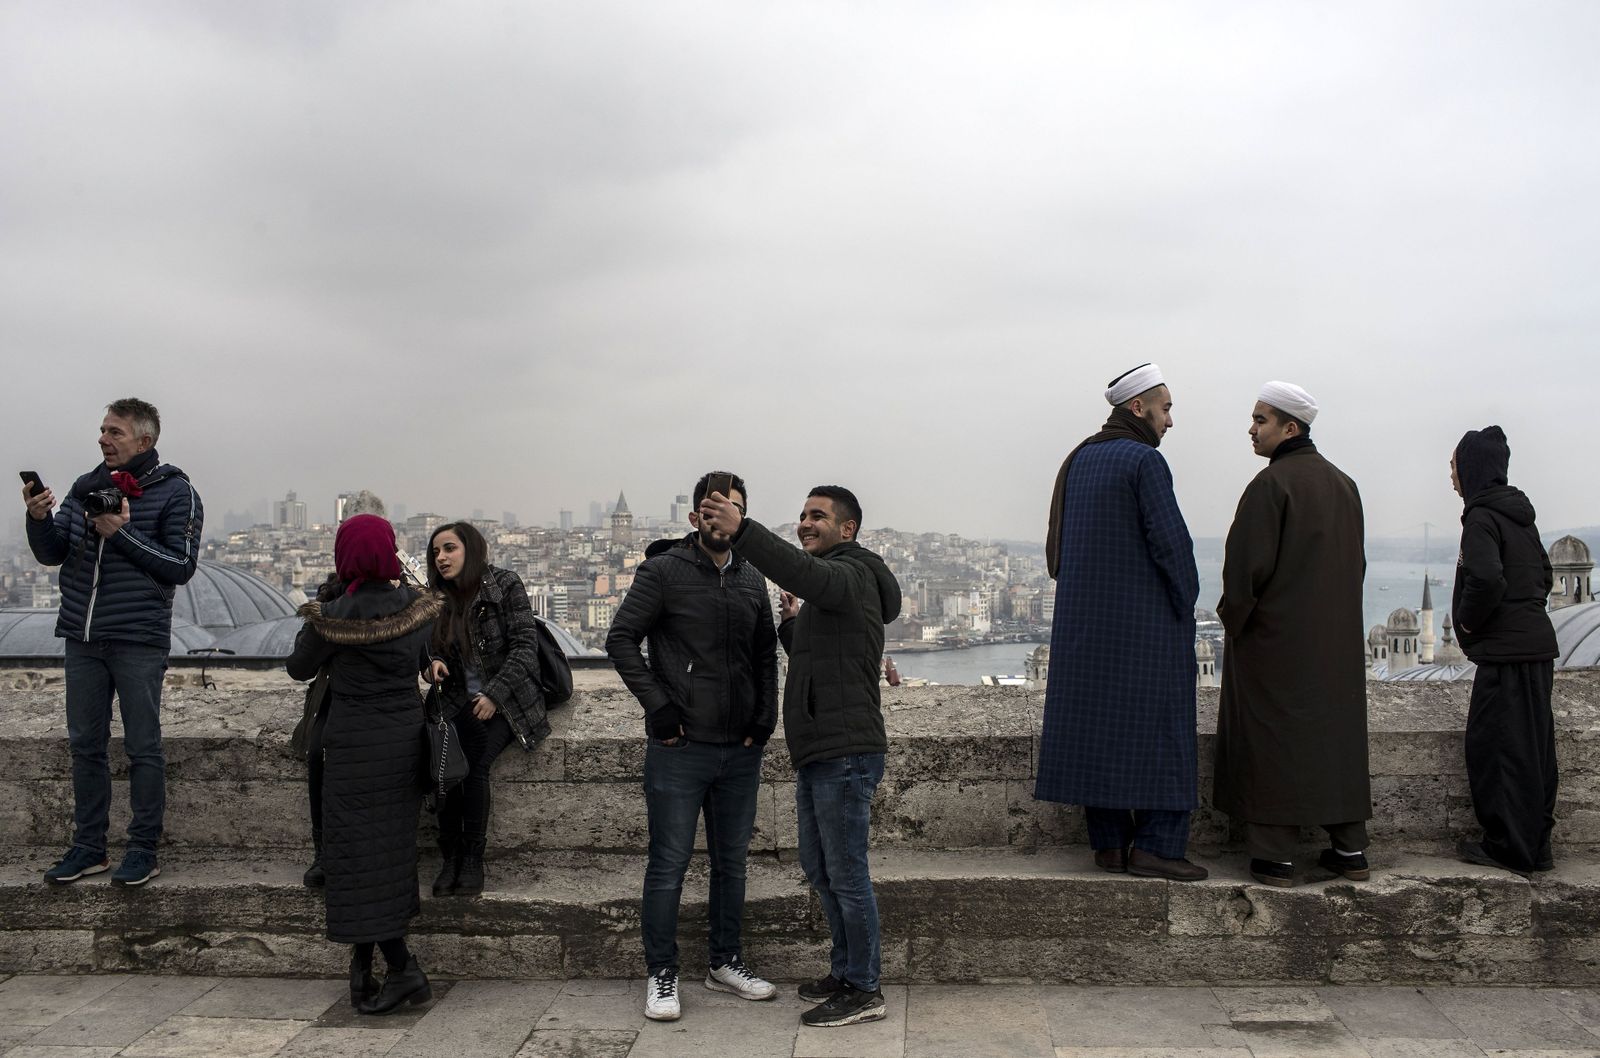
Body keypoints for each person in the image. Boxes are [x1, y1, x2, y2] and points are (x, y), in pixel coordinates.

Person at [700, 484, 901, 1029]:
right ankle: (846, 971)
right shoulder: (832, 588)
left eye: (818, 516)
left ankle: (864, 988)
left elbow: (806, 574)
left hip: (846, 753)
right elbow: (820, 662)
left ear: (847, 528)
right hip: (822, 752)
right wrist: (792, 625)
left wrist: (742, 529)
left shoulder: (850, 573)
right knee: (821, 868)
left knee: (847, 873)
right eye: (803, 515)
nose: (806, 523)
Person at [606, 471, 780, 1022]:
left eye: (732, 510)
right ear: (695, 517)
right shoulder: (663, 571)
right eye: (712, 509)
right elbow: (620, 639)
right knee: (668, 865)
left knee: (732, 863)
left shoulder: (753, 579)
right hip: (680, 745)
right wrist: (659, 708)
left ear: (743, 517)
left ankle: (725, 962)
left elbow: (763, 656)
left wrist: (765, 717)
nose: (720, 519)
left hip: (739, 746)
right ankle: (662, 972)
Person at [1035, 363, 1207, 881]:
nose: (1171, 421)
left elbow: (1060, 549)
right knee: (1166, 730)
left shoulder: (1080, 458)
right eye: (1167, 408)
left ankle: (1110, 846)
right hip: (1145, 630)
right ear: (1139, 408)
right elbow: (1171, 544)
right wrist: (1186, 603)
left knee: (1098, 731)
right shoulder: (1144, 462)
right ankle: (1157, 845)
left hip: (1086, 629)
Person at [24, 398, 203, 888]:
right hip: (82, 636)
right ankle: (89, 847)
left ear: (144, 441)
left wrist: (120, 535)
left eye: (115, 432)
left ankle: (143, 848)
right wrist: (38, 519)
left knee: (143, 747)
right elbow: (53, 553)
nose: (103, 438)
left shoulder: (176, 492)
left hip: (138, 639)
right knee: (85, 745)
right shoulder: (86, 488)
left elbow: (180, 567)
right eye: (102, 430)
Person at [1214, 381, 1371, 888]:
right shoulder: (1345, 484)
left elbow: (1244, 572)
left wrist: (1234, 622)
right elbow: (1356, 567)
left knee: (1273, 740)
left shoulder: (1271, 486)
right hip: (1335, 646)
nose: (1251, 429)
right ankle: (1349, 848)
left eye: (1260, 420)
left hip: (1275, 645)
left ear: (1289, 428)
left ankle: (1275, 857)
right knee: (1334, 742)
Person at [286, 514, 440, 1014]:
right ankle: (363, 972)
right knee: (387, 860)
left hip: (352, 751)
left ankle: (403, 970)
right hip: (402, 745)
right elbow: (425, 659)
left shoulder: (333, 615)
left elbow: (298, 668)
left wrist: (323, 621)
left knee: (354, 862)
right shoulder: (416, 610)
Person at [1449, 426, 1560, 876]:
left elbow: (1486, 579)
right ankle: (1537, 845)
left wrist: (1471, 621)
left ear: (1472, 470)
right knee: (1535, 751)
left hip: (1505, 653)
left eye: (1454, 467)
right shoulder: (1521, 517)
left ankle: (1508, 846)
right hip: (1536, 646)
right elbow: (1545, 576)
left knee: (1497, 750)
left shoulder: (1480, 518)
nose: (1451, 477)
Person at [424, 521, 550, 897]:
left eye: (449, 549)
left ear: (471, 550)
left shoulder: (505, 584)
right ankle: (451, 857)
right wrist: (430, 664)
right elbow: (426, 648)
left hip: (508, 700)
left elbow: (525, 646)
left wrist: (494, 694)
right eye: (436, 552)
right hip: (458, 699)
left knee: (475, 763)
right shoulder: (437, 597)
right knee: (445, 765)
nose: (441, 558)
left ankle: (472, 859)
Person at [296, 491, 391, 889]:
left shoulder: (398, 593)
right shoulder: (334, 593)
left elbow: (299, 664)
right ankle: (325, 852)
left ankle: (330, 853)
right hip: (348, 698)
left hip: (376, 701)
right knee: (319, 753)